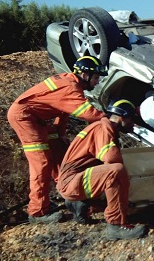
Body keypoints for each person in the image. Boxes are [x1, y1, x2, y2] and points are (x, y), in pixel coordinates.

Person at [7, 56, 107, 224]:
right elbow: (88, 113)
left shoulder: (72, 84)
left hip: (37, 119)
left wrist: (60, 135)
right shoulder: (70, 87)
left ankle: (72, 195)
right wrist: (110, 118)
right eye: (96, 77)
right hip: (25, 118)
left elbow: (62, 112)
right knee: (42, 162)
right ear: (84, 75)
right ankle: (37, 212)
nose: (97, 82)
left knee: (61, 156)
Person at [57, 99, 146, 240]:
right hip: (72, 183)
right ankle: (116, 225)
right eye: (132, 119)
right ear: (121, 117)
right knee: (116, 171)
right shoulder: (104, 128)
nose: (134, 125)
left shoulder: (102, 127)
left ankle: (81, 203)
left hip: (74, 181)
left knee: (118, 184)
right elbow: (111, 158)